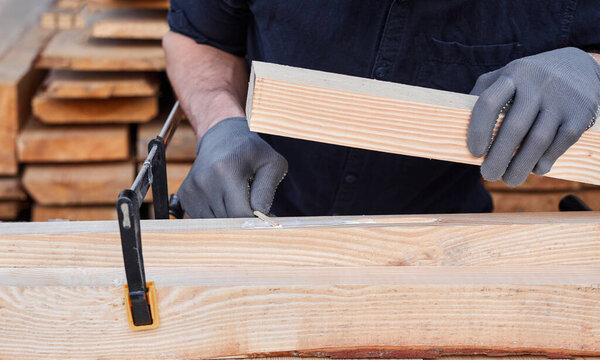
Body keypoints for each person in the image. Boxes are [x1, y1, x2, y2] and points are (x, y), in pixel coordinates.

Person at [163, 1, 600, 218]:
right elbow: (199, 38)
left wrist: (592, 67)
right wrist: (221, 122)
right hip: (263, 226)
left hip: (438, 248)